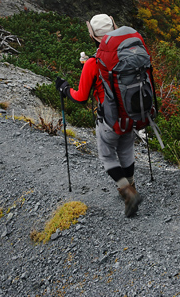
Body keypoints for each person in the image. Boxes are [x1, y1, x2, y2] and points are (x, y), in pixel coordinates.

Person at [55, 14, 143, 217]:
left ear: (93, 36)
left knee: (108, 156)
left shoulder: (93, 64)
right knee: (126, 150)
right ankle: (131, 185)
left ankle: (128, 193)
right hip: (132, 115)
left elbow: (80, 98)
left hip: (109, 121)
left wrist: (64, 89)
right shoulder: (131, 53)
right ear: (115, 26)